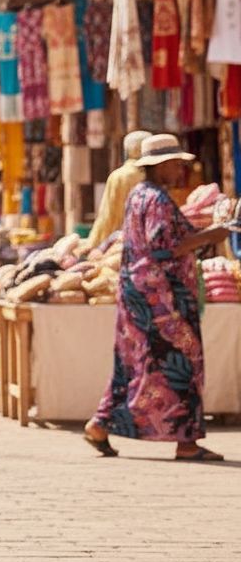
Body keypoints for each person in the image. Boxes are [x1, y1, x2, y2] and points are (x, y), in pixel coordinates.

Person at [84, 134, 229, 462]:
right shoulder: (158, 200)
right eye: (176, 163)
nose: (181, 169)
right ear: (160, 165)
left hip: (139, 296)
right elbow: (167, 246)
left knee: (134, 364)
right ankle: (187, 443)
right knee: (185, 364)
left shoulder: (139, 195)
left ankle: (100, 425)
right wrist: (214, 234)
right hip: (163, 302)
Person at [85, 130, 152, 248]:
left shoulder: (119, 176)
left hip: (119, 242)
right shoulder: (155, 175)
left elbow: (107, 215)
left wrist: (92, 245)